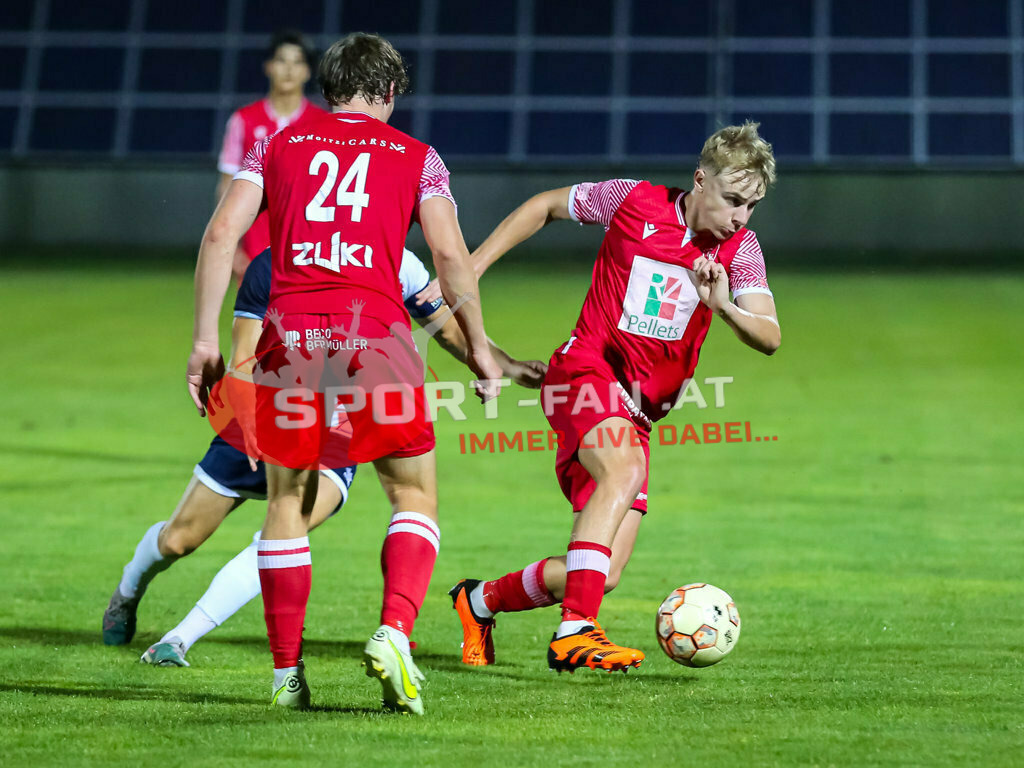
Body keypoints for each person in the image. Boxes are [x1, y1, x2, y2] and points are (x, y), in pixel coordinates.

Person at [187, 33, 503, 714]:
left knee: (285, 504)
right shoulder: (418, 156)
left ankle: (285, 676)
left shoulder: (277, 145)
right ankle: (394, 632)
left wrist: (203, 340)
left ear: (326, 88)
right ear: (389, 91)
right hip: (377, 338)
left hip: (292, 337)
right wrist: (478, 346)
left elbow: (219, 235)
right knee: (412, 495)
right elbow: (450, 257)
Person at [101, 248, 543, 667]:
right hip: (266, 414)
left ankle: (178, 638)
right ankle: (128, 591)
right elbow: (244, 355)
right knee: (179, 539)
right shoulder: (274, 263)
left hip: (336, 433)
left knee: (282, 535)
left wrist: (506, 364)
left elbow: (447, 330)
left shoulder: (396, 260)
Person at [446, 122, 781, 673]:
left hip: (638, 415)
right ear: (701, 181)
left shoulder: (739, 251)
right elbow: (546, 206)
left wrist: (722, 305)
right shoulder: (634, 201)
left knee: (602, 573)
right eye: (732, 200)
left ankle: (479, 601)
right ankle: (576, 631)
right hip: (583, 373)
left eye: (752, 206)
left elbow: (769, 335)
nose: (741, 217)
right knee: (623, 472)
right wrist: (473, 266)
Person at [217, 29, 326, 284]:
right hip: (255, 252)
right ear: (268, 67)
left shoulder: (323, 123)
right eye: (281, 60)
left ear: (307, 71)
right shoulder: (243, 120)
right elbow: (227, 187)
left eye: (297, 62)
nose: (289, 69)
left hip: (310, 252)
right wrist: (229, 245)